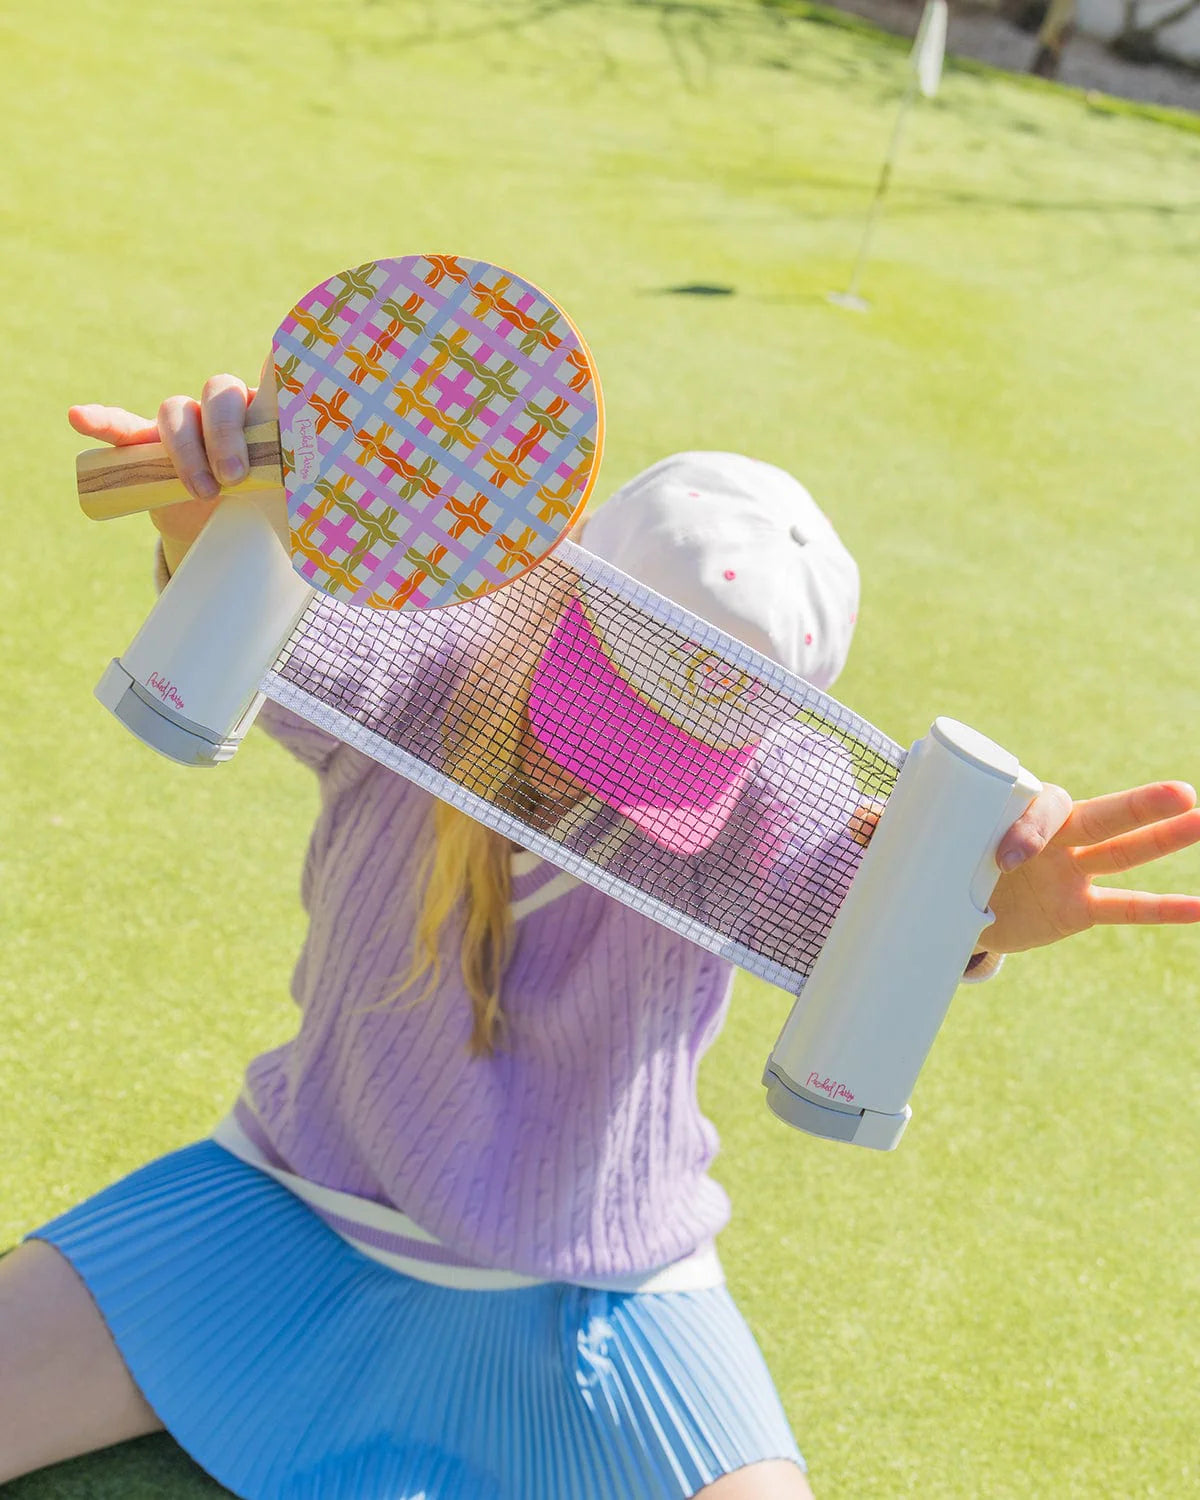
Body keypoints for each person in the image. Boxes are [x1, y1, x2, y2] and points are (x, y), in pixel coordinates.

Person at [3, 375, 1198, 1500]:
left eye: (680, 738)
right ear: (560, 593)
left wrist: (984, 912)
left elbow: (853, 916)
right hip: (288, 1202)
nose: (631, 763)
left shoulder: (773, 794)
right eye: (613, 693)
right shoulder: (435, 654)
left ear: (774, 722)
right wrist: (206, 520)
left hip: (605, 1290)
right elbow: (259, 623)